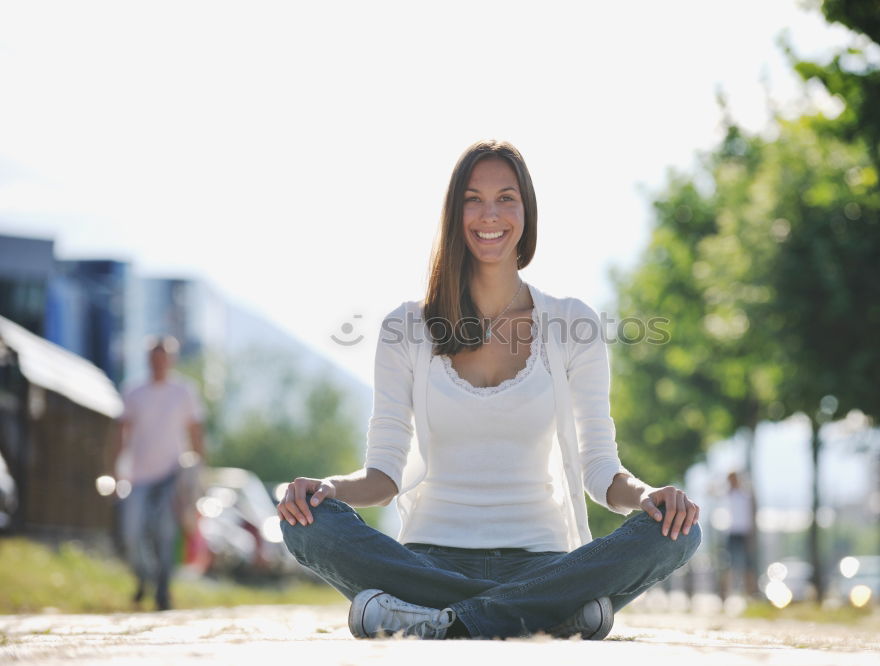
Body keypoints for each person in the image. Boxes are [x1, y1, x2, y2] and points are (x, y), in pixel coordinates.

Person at [277, 139, 702, 640]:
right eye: (473, 199)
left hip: (542, 564)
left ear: (527, 211)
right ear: (454, 213)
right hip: (428, 561)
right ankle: (546, 615)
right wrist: (327, 489)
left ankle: (436, 619)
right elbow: (384, 474)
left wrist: (651, 496)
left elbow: (601, 471)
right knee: (305, 519)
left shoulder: (572, 324)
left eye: (506, 198)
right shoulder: (405, 327)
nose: (489, 214)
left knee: (679, 530)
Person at [113, 335, 205, 611]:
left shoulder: (183, 392)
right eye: (154, 358)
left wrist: (200, 470)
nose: (159, 363)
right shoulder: (133, 392)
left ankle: (163, 590)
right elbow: (121, 433)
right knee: (132, 532)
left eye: (164, 358)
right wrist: (114, 468)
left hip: (171, 475)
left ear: (171, 360)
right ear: (148, 360)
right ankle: (143, 578)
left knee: (165, 532)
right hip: (138, 475)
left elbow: (195, 431)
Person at [724, 471, 756, 598]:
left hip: (744, 533)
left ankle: (751, 595)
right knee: (729, 565)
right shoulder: (728, 494)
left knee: (748, 565)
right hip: (732, 532)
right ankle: (726, 594)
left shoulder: (745, 495)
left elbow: (752, 514)